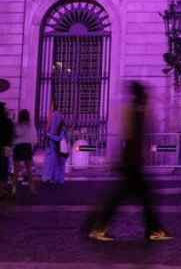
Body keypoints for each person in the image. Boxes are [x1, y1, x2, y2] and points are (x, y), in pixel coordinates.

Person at [87, 81, 171, 242]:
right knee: (132, 198)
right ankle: (152, 230)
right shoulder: (136, 112)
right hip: (132, 164)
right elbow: (130, 137)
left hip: (132, 163)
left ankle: (153, 229)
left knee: (132, 197)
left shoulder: (135, 110)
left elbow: (129, 137)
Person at [40, 109, 69, 185]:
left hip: (60, 149)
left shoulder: (61, 127)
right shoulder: (56, 126)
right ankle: (54, 178)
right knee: (55, 164)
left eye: (54, 117)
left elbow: (60, 138)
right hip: (56, 149)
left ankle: (58, 179)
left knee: (59, 165)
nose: (53, 119)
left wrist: (50, 136)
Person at [12, 108, 37, 195]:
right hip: (27, 147)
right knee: (29, 170)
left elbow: (16, 134)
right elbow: (34, 138)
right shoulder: (31, 125)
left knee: (16, 170)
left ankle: (14, 189)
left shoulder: (16, 125)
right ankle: (32, 189)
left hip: (18, 147)